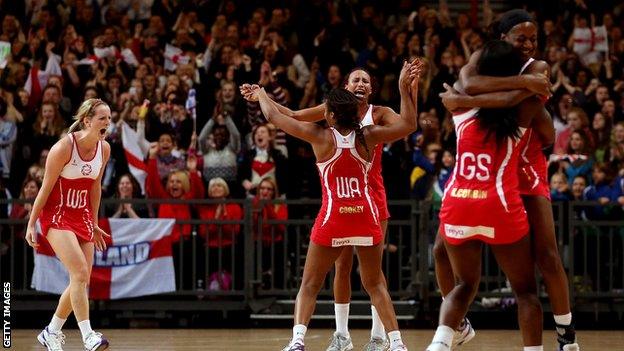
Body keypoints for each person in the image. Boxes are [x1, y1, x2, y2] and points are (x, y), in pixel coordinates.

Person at [245, 59, 422, 351]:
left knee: (311, 284)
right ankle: (396, 342)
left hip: (335, 215)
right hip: (366, 212)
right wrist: (406, 88)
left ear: (329, 114)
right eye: (356, 80)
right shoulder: (371, 136)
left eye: (366, 81)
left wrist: (262, 95)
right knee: (375, 282)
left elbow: (278, 119)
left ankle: (298, 340)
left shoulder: (320, 136)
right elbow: (410, 124)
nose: (361, 84)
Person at [435, 9, 579, 350]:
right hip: (487, 164)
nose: (529, 45)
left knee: (546, 255)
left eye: (534, 39)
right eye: (521, 39)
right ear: (503, 39)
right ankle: (458, 323)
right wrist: (519, 84)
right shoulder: (483, 57)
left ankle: (566, 335)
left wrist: (462, 103)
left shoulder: (539, 68)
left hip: (524, 164)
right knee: (441, 250)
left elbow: (543, 133)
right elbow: (469, 83)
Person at [428, 40, 547, 351]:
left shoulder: (459, 102)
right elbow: (547, 133)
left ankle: (439, 344)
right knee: (525, 293)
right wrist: (524, 86)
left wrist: (460, 97)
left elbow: (467, 86)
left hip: (458, 203)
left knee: (464, 285)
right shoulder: (525, 103)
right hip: (499, 203)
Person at [24, 98, 111, 351]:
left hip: (82, 216)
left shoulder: (104, 149)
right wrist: (32, 223)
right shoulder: (63, 147)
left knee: (81, 280)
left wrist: (94, 223)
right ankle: (88, 336)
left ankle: (51, 332)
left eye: (109, 118)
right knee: (80, 273)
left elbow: (95, 187)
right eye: (102, 118)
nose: (107, 123)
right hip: (57, 215)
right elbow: (45, 188)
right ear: (87, 121)